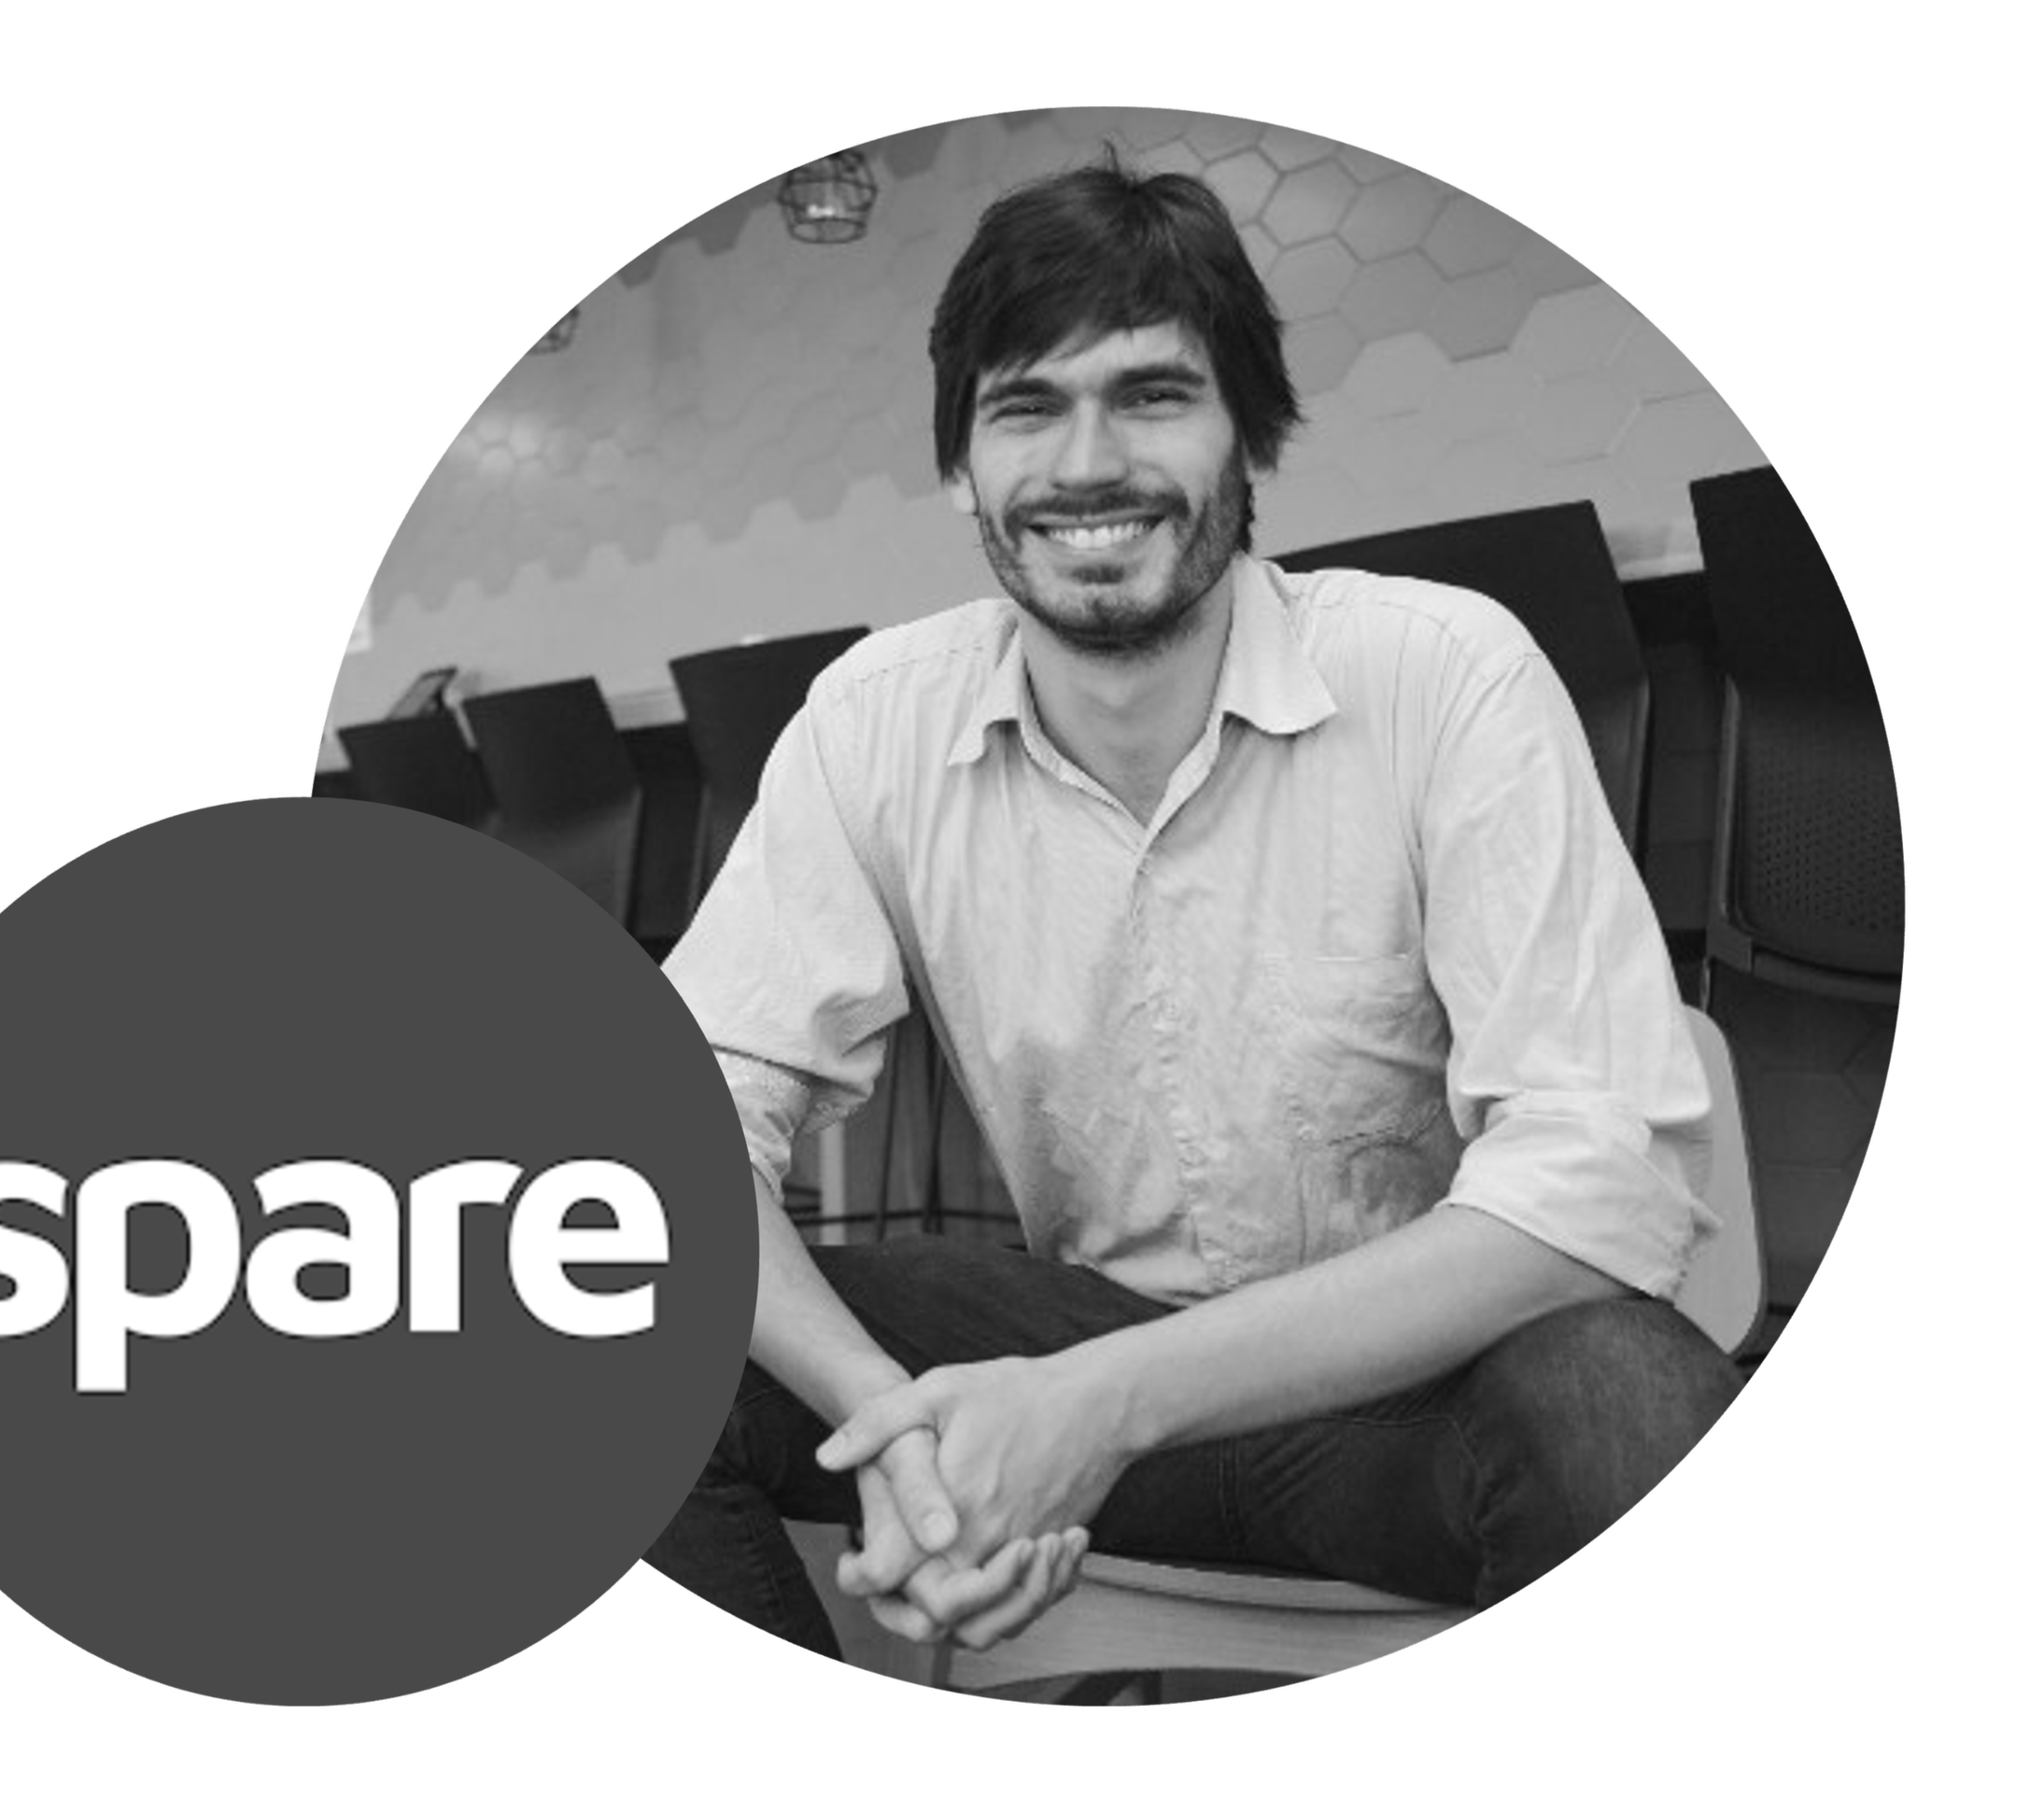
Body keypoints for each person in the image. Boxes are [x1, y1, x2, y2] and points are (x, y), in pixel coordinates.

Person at [647, 154, 1744, 1666]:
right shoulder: (873, 723)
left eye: (1153, 397)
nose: (1086, 464)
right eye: (1025, 407)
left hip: (1416, 1393)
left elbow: (1598, 1185)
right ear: (964, 467)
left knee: (1632, 1405)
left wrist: (1100, 1407)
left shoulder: (1446, 673)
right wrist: (886, 1420)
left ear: (1251, 442)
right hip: (1076, 1337)